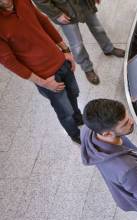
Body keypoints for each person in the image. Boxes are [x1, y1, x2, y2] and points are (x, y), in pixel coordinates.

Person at [0, 0, 83, 144]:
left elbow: (43, 22)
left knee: (74, 92)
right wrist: (43, 82)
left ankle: (78, 116)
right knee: (64, 110)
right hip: (46, 76)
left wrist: (65, 50)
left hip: (60, 61)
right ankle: (74, 133)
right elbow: (9, 61)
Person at [33, 0, 125, 85]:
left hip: (84, 4)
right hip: (64, 10)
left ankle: (108, 48)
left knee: (98, 29)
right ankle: (87, 67)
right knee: (77, 44)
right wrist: (56, 14)